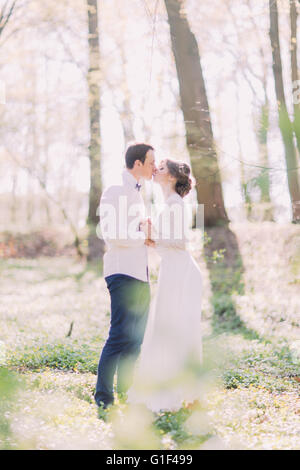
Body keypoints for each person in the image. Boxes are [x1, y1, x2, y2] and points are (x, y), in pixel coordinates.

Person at [126, 159, 203, 413]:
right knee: (164, 326)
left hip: (182, 272)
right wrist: (151, 239)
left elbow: (180, 242)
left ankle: (182, 391)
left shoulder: (176, 204)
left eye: (161, 168)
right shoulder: (168, 204)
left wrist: (152, 234)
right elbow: (167, 243)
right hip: (172, 269)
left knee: (175, 327)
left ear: (171, 177)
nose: (155, 170)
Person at [94, 143, 157, 410]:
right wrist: (141, 235)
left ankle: (127, 392)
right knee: (120, 335)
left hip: (141, 275)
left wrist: (148, 236)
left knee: (136, 339)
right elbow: (111, 234)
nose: (155, 167)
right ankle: (103, 397)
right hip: (121, 273)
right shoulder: (114, 191)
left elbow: (133, 233)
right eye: (151, 162)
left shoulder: (138, 194)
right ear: (138, 163)